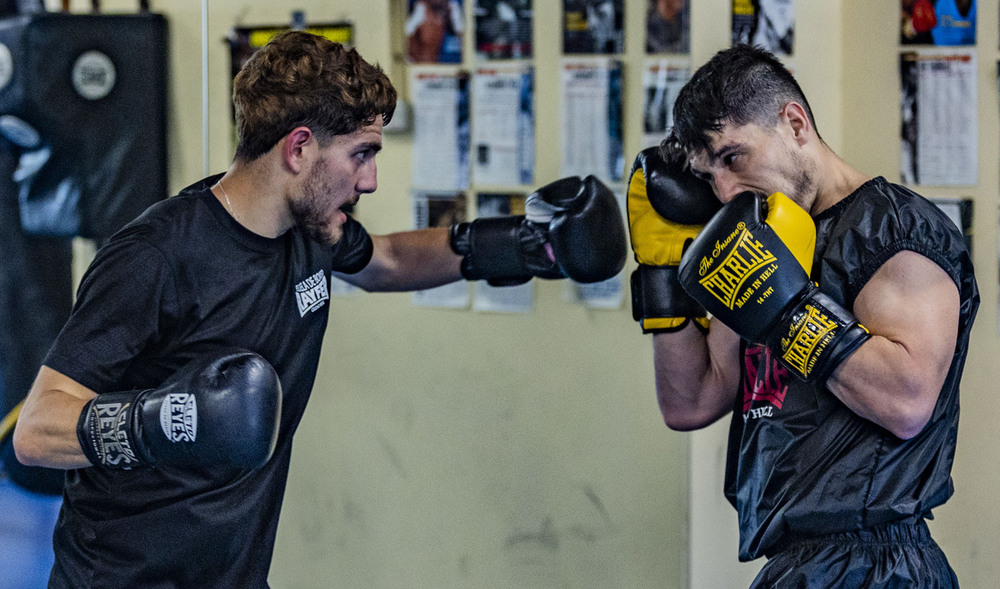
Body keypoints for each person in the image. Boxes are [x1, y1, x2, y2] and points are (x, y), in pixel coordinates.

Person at [12, 31, 626, 587]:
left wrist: (524, 245)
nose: (371, 180)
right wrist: (163, 421)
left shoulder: (314, 232)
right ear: (300, 148)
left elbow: (387, 261)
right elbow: (37, 431)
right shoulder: (156, 257)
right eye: (361, 154)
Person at [627, 44, 978, 587]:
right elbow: (690, 400)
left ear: (795, 124)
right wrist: (659, 275)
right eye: (707, 173)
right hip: (795, 564)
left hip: (878, 564)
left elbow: (906, 401)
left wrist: (787, 308)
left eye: (732, 157)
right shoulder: (754, 240)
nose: (722, 189)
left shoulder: (896, 230)